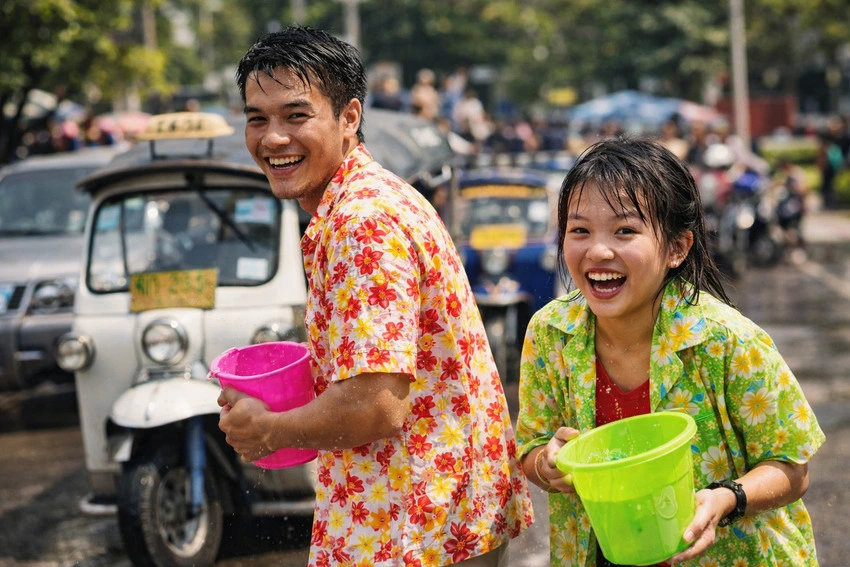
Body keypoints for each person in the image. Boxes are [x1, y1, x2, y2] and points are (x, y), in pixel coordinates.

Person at [218, 26, 534, 566]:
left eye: (296, 116)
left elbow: (375, 405)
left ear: (349, 117)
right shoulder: (367, 199)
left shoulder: (362, 223)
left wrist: (270, 430)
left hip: (416, 524)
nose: (273, 139)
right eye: (257, 119)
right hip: (437, 514)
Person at [515, 138, 824, 566]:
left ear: (677, 248)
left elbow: (792, 467)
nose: (597, 251)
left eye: (625, 231)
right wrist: (546, 465)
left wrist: (727, 498)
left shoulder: (728, 341)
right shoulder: (551, 333)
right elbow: (532, 445)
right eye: (579, 230)